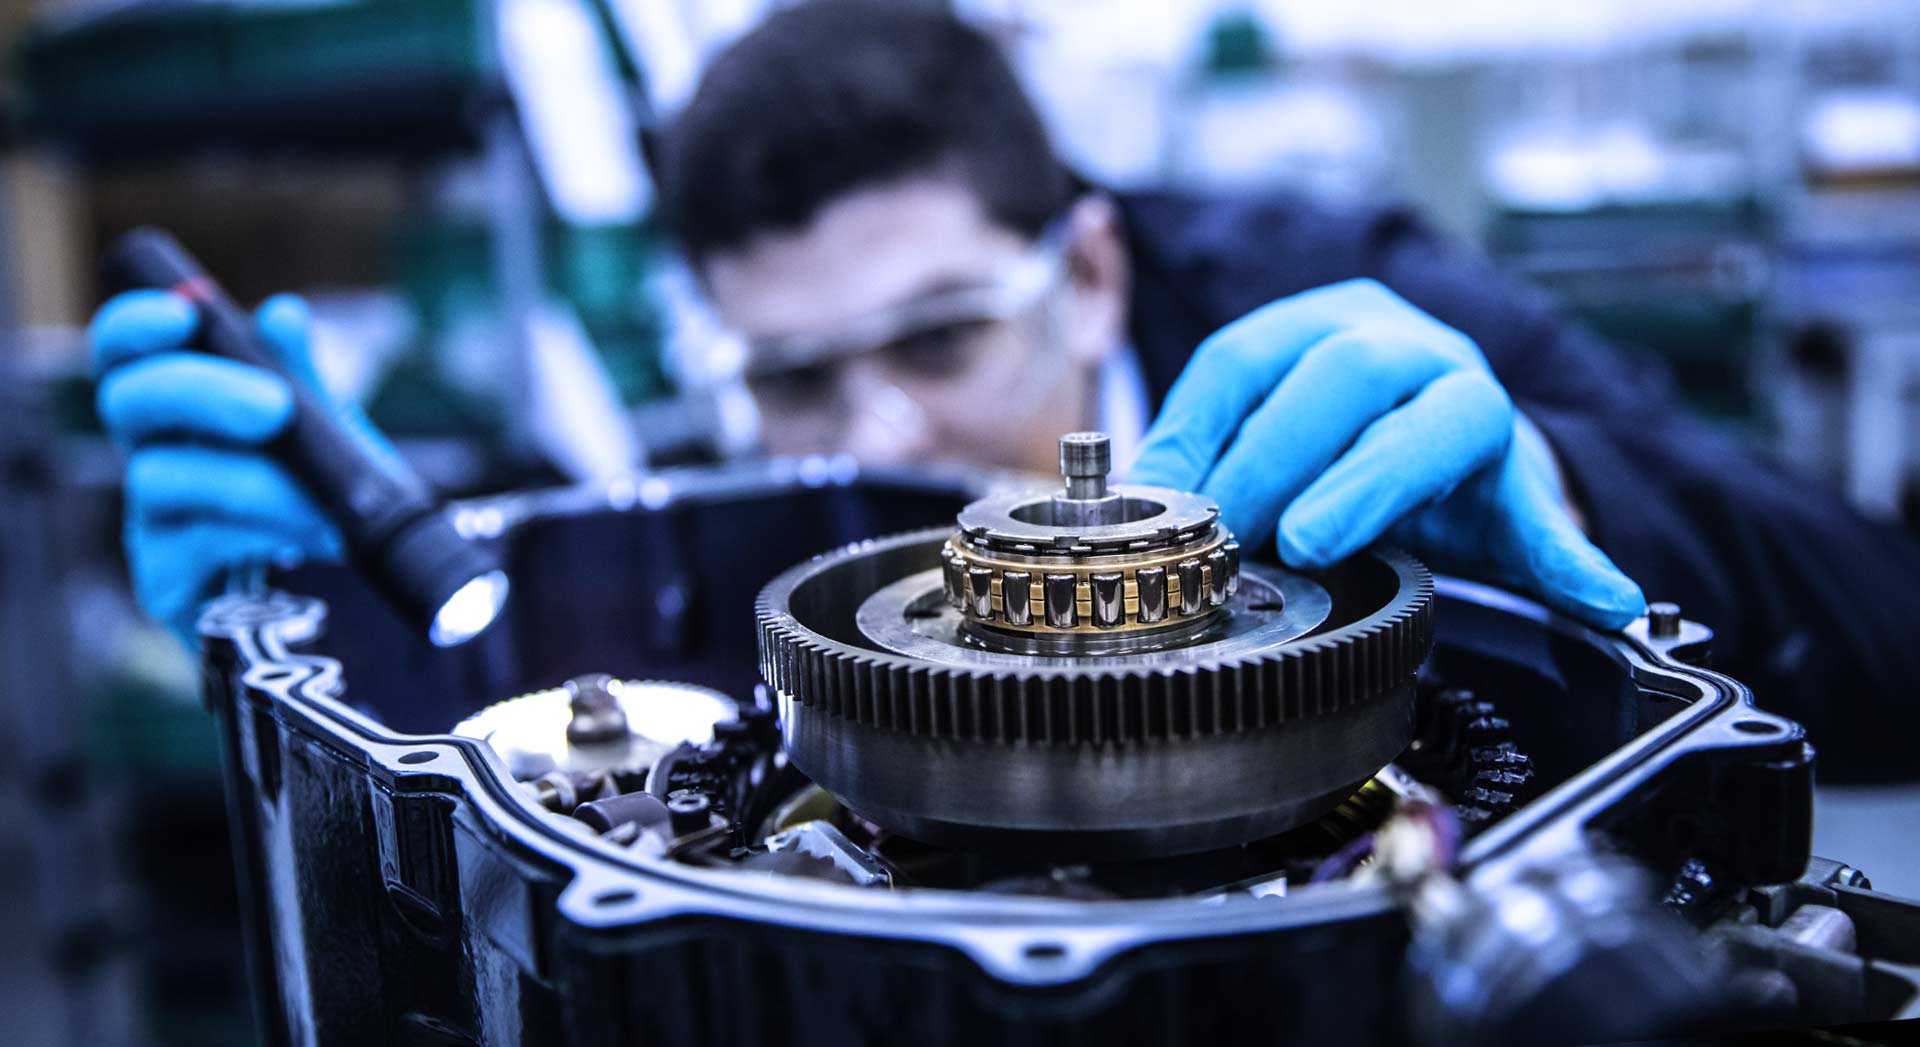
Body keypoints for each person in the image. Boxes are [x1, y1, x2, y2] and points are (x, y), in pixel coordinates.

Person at [90, 1, 1920, 780]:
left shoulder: (1341, 308)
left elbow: (1884, 617)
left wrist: (1567, 501)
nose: (871, 434)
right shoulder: (760, 497)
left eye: (942, 339)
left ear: (1096, 270)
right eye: (791, 375)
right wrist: (307, 604)